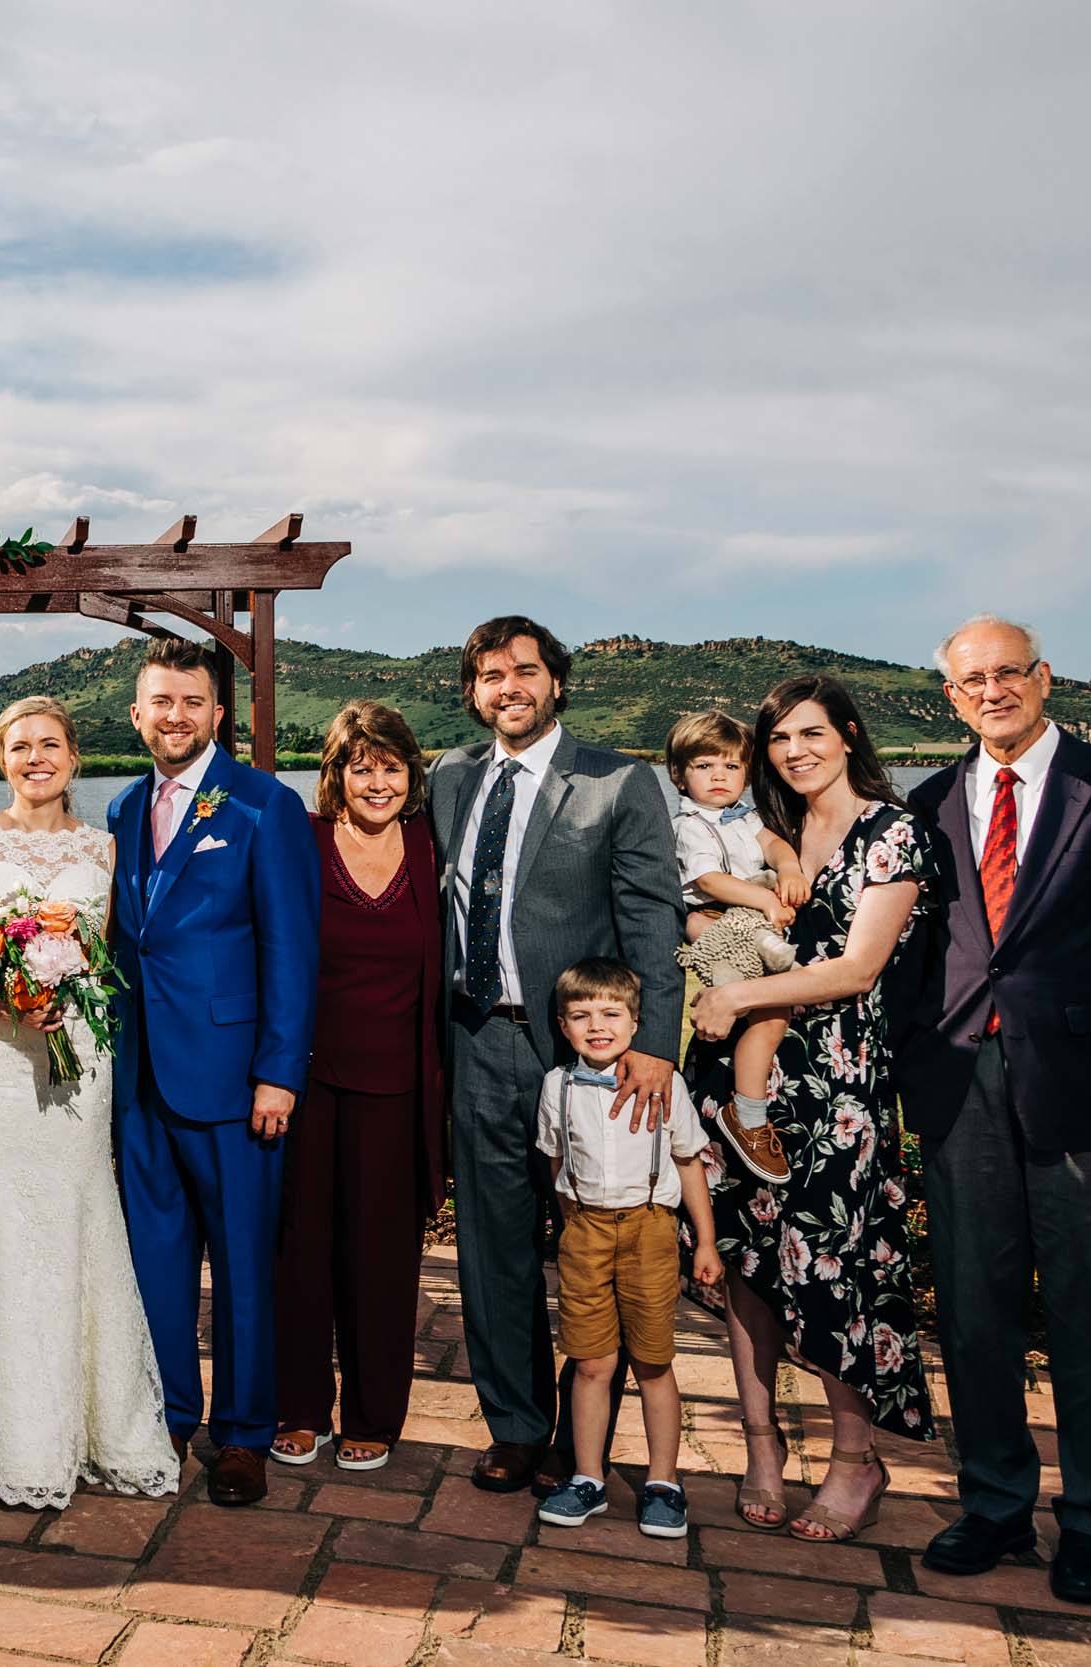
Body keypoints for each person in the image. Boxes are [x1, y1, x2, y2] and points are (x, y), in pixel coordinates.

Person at [898, 615, 1091, 1606]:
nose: (992, 690)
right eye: (971, 679)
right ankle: (992, 1504)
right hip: (958, 1089)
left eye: (1008, 673)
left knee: (1090, 1321)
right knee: (974, 1317)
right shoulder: (930, 800)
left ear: (1044, 677)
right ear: (950, 696)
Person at [0, 695, 179, 1508]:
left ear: (74, 756)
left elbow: (109, 956)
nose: (35, 757)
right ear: (1, 756)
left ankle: (83, 1424)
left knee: (71, 1216)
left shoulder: (106, 847)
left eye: (50, 744)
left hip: (80, 1058)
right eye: (19, 746)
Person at [428, 616, 683, 1496]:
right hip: (474, 1039)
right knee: (492, 1245)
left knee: (590, 1243)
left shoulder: (617, 781)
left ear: (557, 683)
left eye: (525, 672)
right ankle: (516, 1426)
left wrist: (654, 1045)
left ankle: (588, 1442)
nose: (509, 688)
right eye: (491, 676)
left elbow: (653, 917)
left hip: (586, 1056)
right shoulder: (451, 776)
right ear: (473, 691)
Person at [688, 674, 935, 1543]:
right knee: (749, 1272)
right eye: (780, 739)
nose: (795, 751)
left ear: (849, 733)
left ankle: (854, 1458)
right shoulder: (777, 827)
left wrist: (740, 991)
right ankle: (761, 1449)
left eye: (810, 734)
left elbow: (857, 967)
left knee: (834, 1274)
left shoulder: (893, 832)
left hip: (836, 1088)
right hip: (737, 1079)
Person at [108, 637, 320, 1508]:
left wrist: (279, 1071)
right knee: (154, 1258)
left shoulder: (265, 807)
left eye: (191, 701)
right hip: (139, 1080)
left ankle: (242, 1432)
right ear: (136, 712)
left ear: (217, 713)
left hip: (235, 1078)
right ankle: (166, 1412)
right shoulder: (122, 808)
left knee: (240, 1262)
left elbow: (293, 948)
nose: (175, 716)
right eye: (160, 701)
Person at [271, 699, 445, 1474]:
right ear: (335, 774)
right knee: (300, 1254)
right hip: (306, 1082)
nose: (377, 781)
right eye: (360, 765)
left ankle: (375, 1413)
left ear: (413, 776)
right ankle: (300, 1405)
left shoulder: (431, 847)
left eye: (392, 766)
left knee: (382, 1261)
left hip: (401, 1087)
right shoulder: (301, 843)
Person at [532, 959, 720, 1540]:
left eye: (611, 1014)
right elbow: (557, 1160)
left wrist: (705, 1242)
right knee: (591, 1361)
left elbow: (689, 1160)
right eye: (581, 1016)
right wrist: (572, 1226)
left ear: (636, 1023)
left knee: (653, 1361)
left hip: (651, 1231)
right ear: (563, 1026)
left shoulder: (667, 1083)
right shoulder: (556, 1086)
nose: (597, 1025)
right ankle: (587, 1477)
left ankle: (664, 1481)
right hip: (585, 1232)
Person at [666, 711, 807, 1185]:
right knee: (773, 1008)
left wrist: (788, 871)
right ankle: (748, 1116)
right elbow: (707, 879)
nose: (720, 777)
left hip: (748, 917)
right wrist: (767, 898)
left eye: (731, 767)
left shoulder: (749, 818)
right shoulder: (689, 826)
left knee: (772, 1012)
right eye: (705, 766)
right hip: (717, 923)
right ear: (679, 776)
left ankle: (746, 1107)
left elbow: (777, 847)